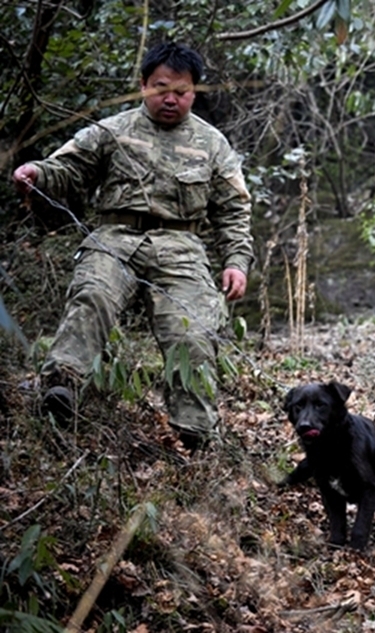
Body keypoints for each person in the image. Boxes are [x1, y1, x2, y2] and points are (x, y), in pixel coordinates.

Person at [12, 42, 254, 452]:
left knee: (192, 330)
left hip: (181, 246)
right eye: (161, 87)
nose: (171, 98)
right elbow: (69, 169)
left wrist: (236, 262)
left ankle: (193, 429)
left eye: (182, 90)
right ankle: (61, 389)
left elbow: (234, 210)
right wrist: (37, 171)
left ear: (195, 92)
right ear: (143, 85)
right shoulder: (112, 130)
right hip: (115, 236)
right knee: (92, 295)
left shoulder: (213, 145)